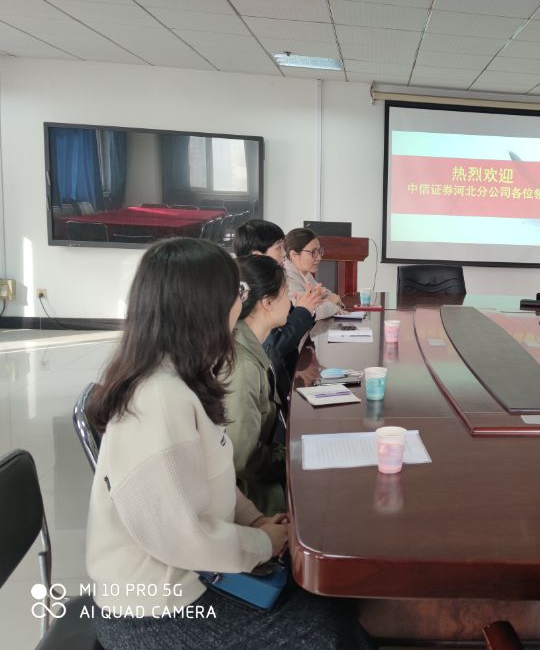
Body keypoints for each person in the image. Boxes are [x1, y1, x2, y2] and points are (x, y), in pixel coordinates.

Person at [86, 237, 375, 649]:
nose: (241, 301)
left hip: (194, 579)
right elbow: (184, 539)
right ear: (202, 306)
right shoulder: (157, 400)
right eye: (235, 291)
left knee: (331, 605)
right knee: (328, 631)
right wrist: (261, 543)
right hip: (154, 612)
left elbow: (214, 471)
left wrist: (255, 521)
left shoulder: (181, 375)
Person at [224, 255, 290, 515]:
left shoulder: (251, 343)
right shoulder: (243, 365)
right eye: (287, 293)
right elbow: (244, 460)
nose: (292, 300)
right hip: (247, 496)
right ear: (267, 302)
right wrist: (293, 456)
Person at [235, 219, 323, 403]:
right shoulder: (252, 295)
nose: (284, 254)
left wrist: (304, 309)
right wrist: (303, 311)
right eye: (278, 247)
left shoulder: (271, 283)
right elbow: (273, 346)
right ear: (257, 255)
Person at [283, 227, 341, 319]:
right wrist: (331, 302)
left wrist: (330, 299)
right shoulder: (286, 277)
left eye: (319, 251)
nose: (319, 258)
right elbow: (308, 311)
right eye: (313, 252)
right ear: (294, 255)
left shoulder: (304, 272)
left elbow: (322, 292)